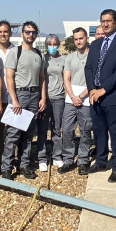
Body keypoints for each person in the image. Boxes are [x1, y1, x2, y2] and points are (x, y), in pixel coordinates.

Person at [85, 10, 116, 182]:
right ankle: (101, 160)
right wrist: (91, 89)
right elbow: (88, 67)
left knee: (115, 132)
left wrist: (103, 89)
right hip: (94, 95)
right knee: (98, 130)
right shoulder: (96, 44)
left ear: (115, 22)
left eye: (109, 21)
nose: (105, 24)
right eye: (103, 21)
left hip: (111, 95)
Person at [1, 21, 46, 180]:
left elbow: (42, 79)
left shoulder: (39, 54)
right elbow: (9, 77)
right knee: (13, 133)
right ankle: (6, 167)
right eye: (27, 32)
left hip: (34, 96)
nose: (30, 35)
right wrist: (14, 100)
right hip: (20, 95)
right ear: (22, 34)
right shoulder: (15, 52)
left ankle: (24, 164)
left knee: (28, 133)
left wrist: (43, 97)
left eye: (33, 32)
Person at [61, 27, 93, 174]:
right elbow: (66, 78)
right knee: (67, 129)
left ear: (86, 38)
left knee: (85, 130)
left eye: (81, 38)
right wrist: (73, 96)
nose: (78, 41)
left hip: (85, 99)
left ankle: (83, 160)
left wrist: (81, 97)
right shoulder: (70, 57)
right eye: (76, 39)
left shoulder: (93, 56)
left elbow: (93, 80)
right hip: (71, 99)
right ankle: (68, 159)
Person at [35, 34, 66, 171]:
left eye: (55, 44)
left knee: (56, 129)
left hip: (58, 98)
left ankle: (57, 156)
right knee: (42, 129)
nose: (52, 46)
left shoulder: (63, 59)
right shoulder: (42, 58)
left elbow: (66, 78)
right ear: (46, 45)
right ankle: (42, 157)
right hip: (45, 98)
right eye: (50, 44)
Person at [0, 20, 14, 167]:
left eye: (5, 31)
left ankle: (12, 158)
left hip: (14, 98)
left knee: (14, 131)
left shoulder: (17, 51)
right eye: (0, 32)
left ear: (10, 33)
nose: (3, 34)